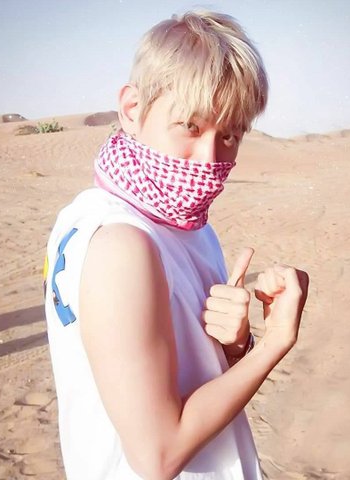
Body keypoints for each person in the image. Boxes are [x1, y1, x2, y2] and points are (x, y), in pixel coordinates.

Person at [43, 9, 309, 480]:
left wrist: (233, 345)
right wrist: (274, 344)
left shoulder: (180, 223)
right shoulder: (120, 243)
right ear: (132, 109)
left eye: (230, 135)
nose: (208, 159)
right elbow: (158, 456)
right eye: (190, 126)